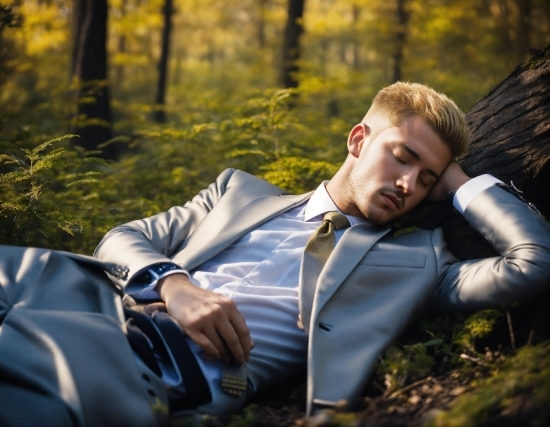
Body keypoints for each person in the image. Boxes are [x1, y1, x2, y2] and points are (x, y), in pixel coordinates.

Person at [1, 82, 549, 427]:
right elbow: (123, 237)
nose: (408, 184)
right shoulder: (238, 192)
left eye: (425, 178)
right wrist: (176, 284)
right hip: (66, 296)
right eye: (401, 156)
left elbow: (533, 262)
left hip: (144, 367)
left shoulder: (416, 264)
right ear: (358, 140)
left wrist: (460, 183)